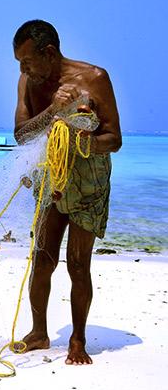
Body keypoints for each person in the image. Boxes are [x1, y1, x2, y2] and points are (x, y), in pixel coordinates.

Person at [12, 20, 122, 365]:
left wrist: (85, 141)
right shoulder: (28, 82)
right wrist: (54, 112)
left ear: (49, 53)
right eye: (19, 63)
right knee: (42, 258)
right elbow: (21, 135)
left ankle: (77, 340)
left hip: (89, 178)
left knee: (77, 263)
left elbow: (114, 140)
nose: (23, 69)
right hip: (51, 175)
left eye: (27, 62)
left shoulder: (95, 78)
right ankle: (38, 332)